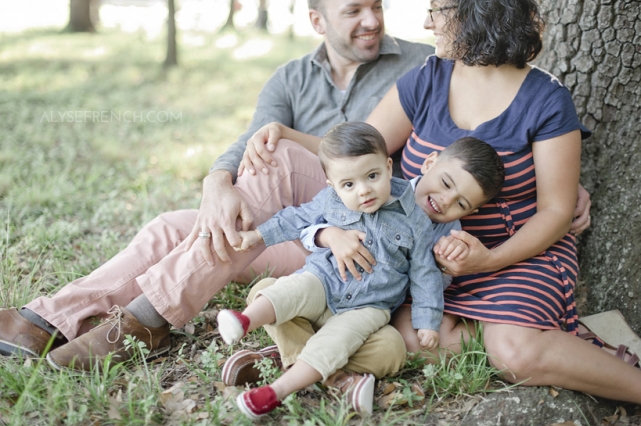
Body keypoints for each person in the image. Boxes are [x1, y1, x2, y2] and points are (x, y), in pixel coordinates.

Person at [231, 0, 641, 405]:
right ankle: (312, 361)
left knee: (515, 351)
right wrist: (284, 132)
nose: (428, 24)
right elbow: (358, 151)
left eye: (437, 11)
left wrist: (489, 260)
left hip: (518, 253)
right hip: (423, 253)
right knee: (405, 335)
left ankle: (592, 367)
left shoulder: (547, 100)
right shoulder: (426, 79)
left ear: (477, 12)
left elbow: (555, 212)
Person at [0, 0, 436, 372]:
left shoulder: (417, 64)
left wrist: (277, 136)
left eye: (377, 6)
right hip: (296, 232)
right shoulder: (291, 77)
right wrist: (216, 183)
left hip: (362, 240)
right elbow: (249, 141)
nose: (372, 20)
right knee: (171, 226)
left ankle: (148, 317)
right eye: (354, 10)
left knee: (278, 152)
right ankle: (43, 321)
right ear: (317, 21)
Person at [216, 123, 504, 418]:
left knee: (392, 350)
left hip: (369, 308)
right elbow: (299, 219)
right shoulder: (350, 185)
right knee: (271, 291)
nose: (445, 200)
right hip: (325, 283)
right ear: (429, 164)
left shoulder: (437, 233)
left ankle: (281, 368)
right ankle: (331, 376)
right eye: (445, 184)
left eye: (461, 203)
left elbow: (426, 276)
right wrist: (324, 235)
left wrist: (434, 300)